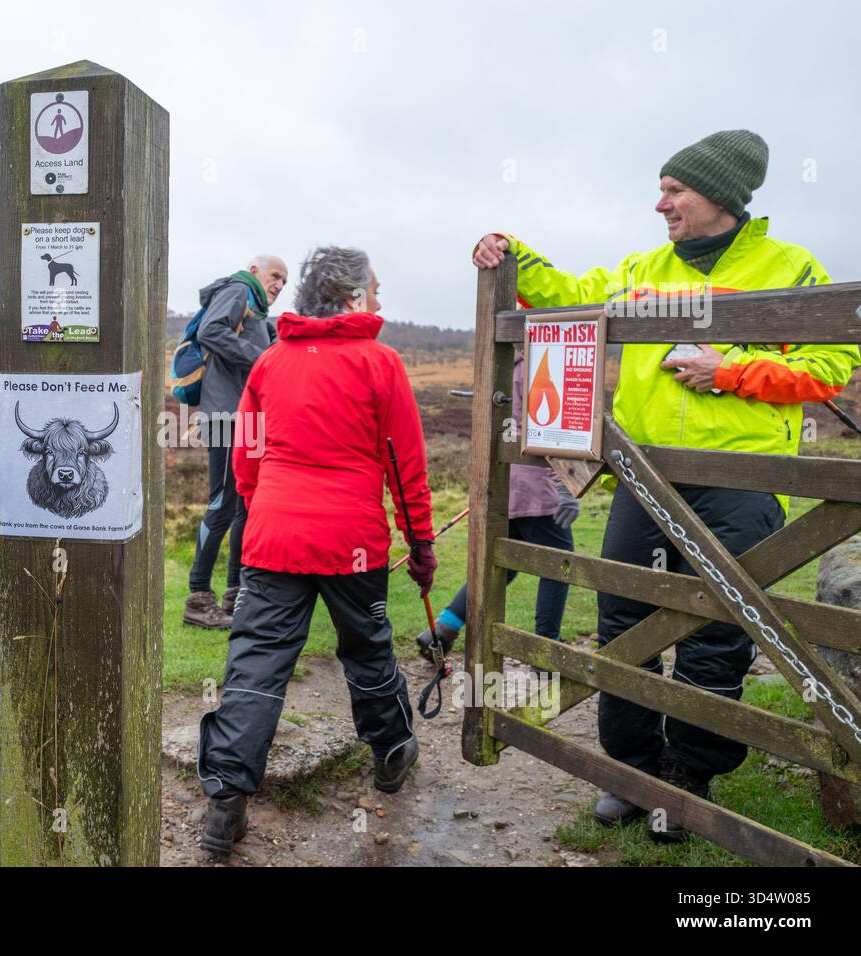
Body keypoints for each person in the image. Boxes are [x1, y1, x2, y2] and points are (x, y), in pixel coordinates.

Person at [473, 129, 861, 842]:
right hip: (644, 477)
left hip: (744, 479)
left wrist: (732, 371)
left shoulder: (791, 267)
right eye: (663, 189)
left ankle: (690, 775)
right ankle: (633, 769)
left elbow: (832, 361)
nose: (661, 204)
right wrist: (509, 250)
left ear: (720, 194)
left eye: (675, 190)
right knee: (623, 616)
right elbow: (563, 295)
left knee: (718, 628)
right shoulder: (642, 267)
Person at [196, 246, 437, 856]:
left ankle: (226, 798)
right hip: (352, 542)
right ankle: (392, 752)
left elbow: (246, 459)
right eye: (375, 289)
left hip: (274, 535)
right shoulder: (381, 364)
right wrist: (422, 547)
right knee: (366, 647)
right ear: (354, 296)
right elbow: (405, 467)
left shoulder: (271, 362)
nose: (379, 301)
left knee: (256, 660)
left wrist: (268, 504)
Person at [429, 352, 579, 666]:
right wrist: (565, 487)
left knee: (502, 566)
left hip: (505, 485)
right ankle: (546, 649)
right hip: (538, 487)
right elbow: (547, 426)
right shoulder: (538, 364)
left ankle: (444, 628)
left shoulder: (498, 363)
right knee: (560, 565)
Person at [183, 255, 288, 629]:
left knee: (246, 505)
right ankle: (198, 599)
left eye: (284, 282)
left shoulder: (257, 311)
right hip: (226, 416)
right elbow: (211, 330)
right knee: (223, 503)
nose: (279, 284)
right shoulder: (240, 289)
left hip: (245, 416)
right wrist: (263, 359)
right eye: (275, 276)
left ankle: (235, 596)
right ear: (257, 270)